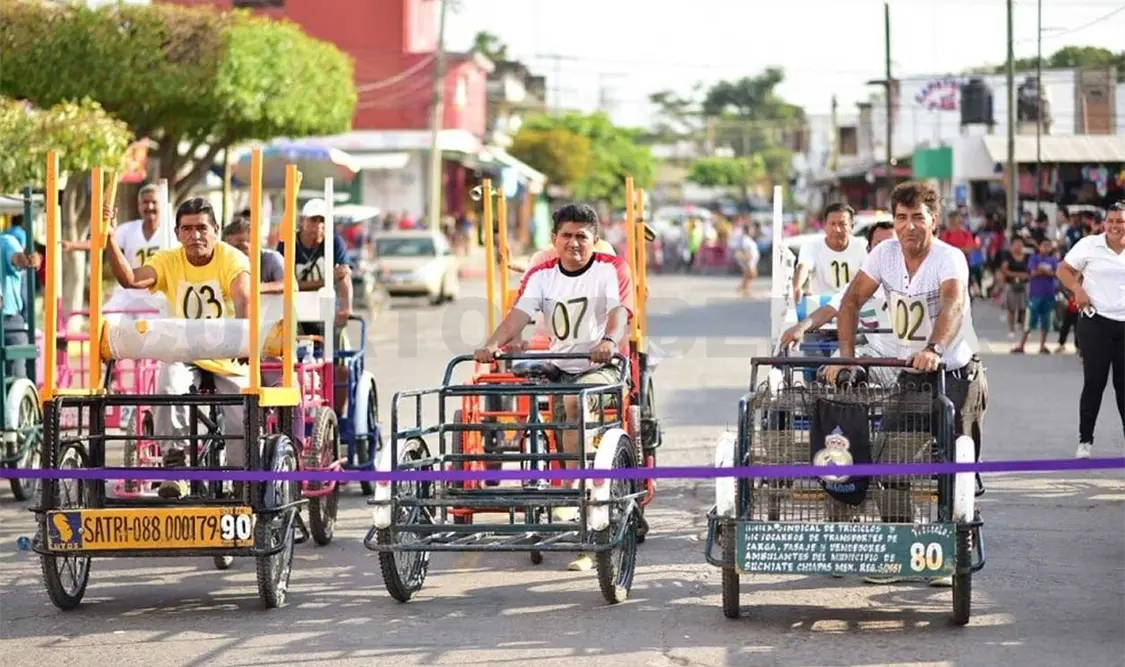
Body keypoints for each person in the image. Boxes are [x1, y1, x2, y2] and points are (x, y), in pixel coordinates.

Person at [827, 181, 988, 587]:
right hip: (911, 376)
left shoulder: (949, 259)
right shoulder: (884, 255)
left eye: (918, 217)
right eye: (901, 218)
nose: (909, 226)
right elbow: (849, 303)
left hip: (953, 373)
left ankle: (947, 555)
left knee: (951, 467)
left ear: (934, 220)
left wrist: (934, 346)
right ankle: (899, 553)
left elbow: (952, 304)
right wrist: (847, 357)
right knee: (891, 462)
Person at [473, 203, 634, 573]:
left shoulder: (612, 269)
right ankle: (572, 488)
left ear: (595, 241)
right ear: (554, 240)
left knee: (575, 405)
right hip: (560, 367)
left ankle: (586, 493)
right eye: (567, 236)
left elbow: (619, 313)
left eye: (582, 236)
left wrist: (609, 340)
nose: (574, 243)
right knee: (549, 419)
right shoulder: (543, 275)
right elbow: (518, 316)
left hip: (602, 367)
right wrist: (493, 344)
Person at [104, 197, 252, 500]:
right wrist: (109, 238)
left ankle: (242, 480)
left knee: (242, 412)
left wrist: (245, 338)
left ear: (216, 230)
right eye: (187, 229)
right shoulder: (169, 260)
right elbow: (130, 279)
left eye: (202, 228)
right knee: (167, 387)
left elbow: (244, 299)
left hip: (227, 352)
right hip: (183, 352)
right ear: (177, 232)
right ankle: (176, 468)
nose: (195, 235)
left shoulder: (232, 258)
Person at [779, 220, 898, 385]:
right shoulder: (859, 284)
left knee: (847, 372)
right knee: (831, 373)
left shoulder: (914, 279)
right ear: (869, 251)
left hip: (909, 361)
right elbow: (829, 310)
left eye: (891, 245)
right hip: (875, 355)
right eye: (879, 245)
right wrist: (800, 328)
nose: (885, 252)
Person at [1057, 202, 1125, 460]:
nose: (1116, 226)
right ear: (1104, 223)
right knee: (1094, 383)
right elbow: (1063, 270)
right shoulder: (1089, 245)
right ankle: (1085, 440)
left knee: (1124, 387)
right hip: (1096, 323)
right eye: (1112, 221)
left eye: (1121, 221)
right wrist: (1078, 289)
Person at [790, 203, 868, 355]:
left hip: (854, 314)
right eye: (832, 224)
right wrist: (798, 286)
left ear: (851, 226)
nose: (837, 229)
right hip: (821, 314)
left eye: (842, 224)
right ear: (824, 226)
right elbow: (804, 266)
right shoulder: (811, 246)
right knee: (813, 358)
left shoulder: (862, 246)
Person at [100, 184, 177, 317]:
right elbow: (101, 244)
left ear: (162, 205)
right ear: (139, 206)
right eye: (145, 202)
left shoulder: (172, 232)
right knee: (107, 318)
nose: (150, 207)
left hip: (159, 294)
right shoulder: (128, 229)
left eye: (154, 202)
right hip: (130, 292)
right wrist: (70, 245)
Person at [275, 198, 352, 331]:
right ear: (302, 220)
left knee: (334, 343)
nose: (318, 225)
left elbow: (344, 274)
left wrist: (346, 308)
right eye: (313, 219)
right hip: (293, 308)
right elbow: (285, 284)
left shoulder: (334, 242)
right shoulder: (287, 243)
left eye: (322, 220)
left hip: (323, 307)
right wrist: (327, 280)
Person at [0, 230, 41, 379]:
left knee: (18, 377)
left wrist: (26, 260)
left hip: (9, 321)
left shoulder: (6, 242)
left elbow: (17, 258)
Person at [223, 213, 285, 294]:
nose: (235, 254)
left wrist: (253, 288)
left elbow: (289, 284)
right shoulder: (224, 262)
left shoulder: (272, 258)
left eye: (240, 248)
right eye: (230, 250)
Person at [1017, 238, 1059, 354]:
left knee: (1046, 321)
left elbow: (1056, 274)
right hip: (1035, 294)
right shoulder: (1034, 258)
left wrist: (1043, 271)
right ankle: (1022, 344)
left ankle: (1042, 345)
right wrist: (1046, 272)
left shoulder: (1053, 260)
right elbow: (1033, 273)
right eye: (1043, 245)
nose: (1045, 248)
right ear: (1039, 247)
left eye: (1048, 246)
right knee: (1030, 320)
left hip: (1049, 294)